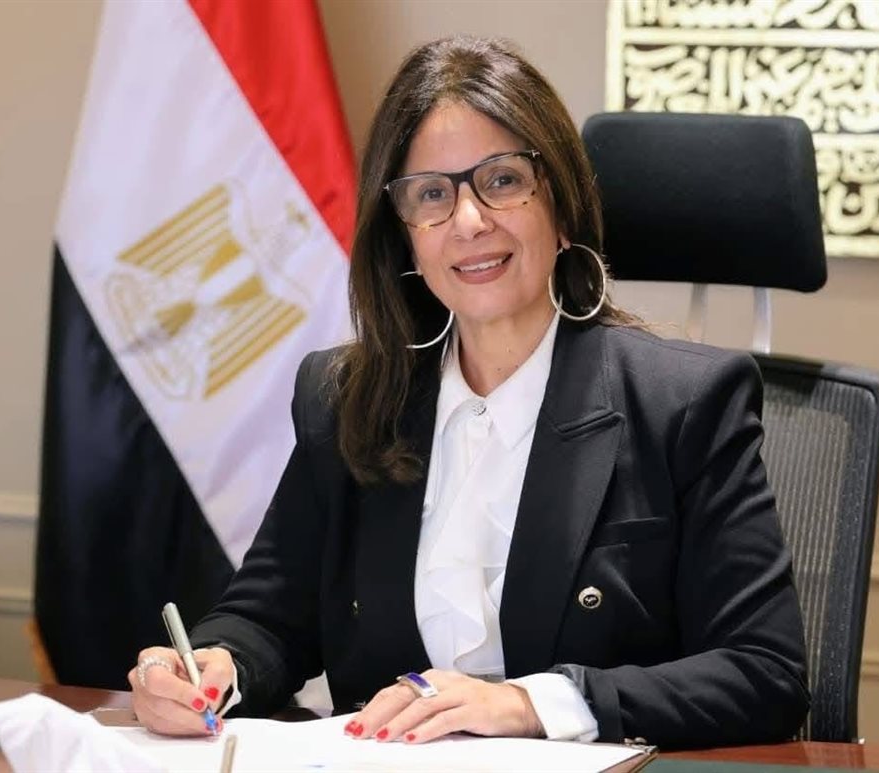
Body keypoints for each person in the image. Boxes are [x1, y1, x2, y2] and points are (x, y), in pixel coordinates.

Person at [128, 35, 809, 750]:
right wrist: (213, 668)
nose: (470, 220)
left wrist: (528, 703)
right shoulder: (347, 398)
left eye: (503, 180)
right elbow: (268, 618)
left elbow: (764, 672)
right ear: (404, 237)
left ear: (561, 205)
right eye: (431, 194)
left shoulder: (685, 402)